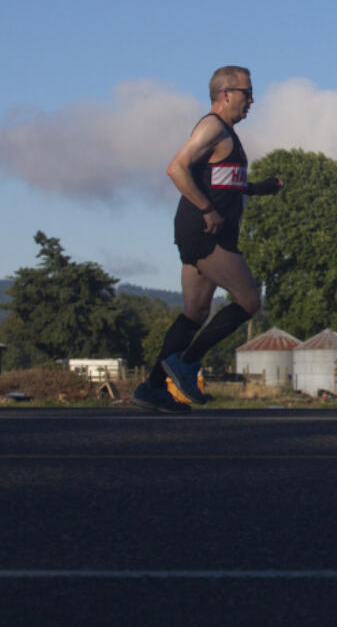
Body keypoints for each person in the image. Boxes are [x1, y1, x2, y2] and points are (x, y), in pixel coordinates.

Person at [132, 66, 283, 414]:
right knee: (249, 300)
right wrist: (206, 209)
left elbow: (223, 182)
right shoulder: (212, 126)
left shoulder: (226, 133)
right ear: (226, 93)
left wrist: (258, 189)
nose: (252, 101)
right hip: (205, 230)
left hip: (204, 230)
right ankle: (187, 363)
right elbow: (177, 167)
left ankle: (153, 387)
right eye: (247, 93)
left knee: (195, 312)